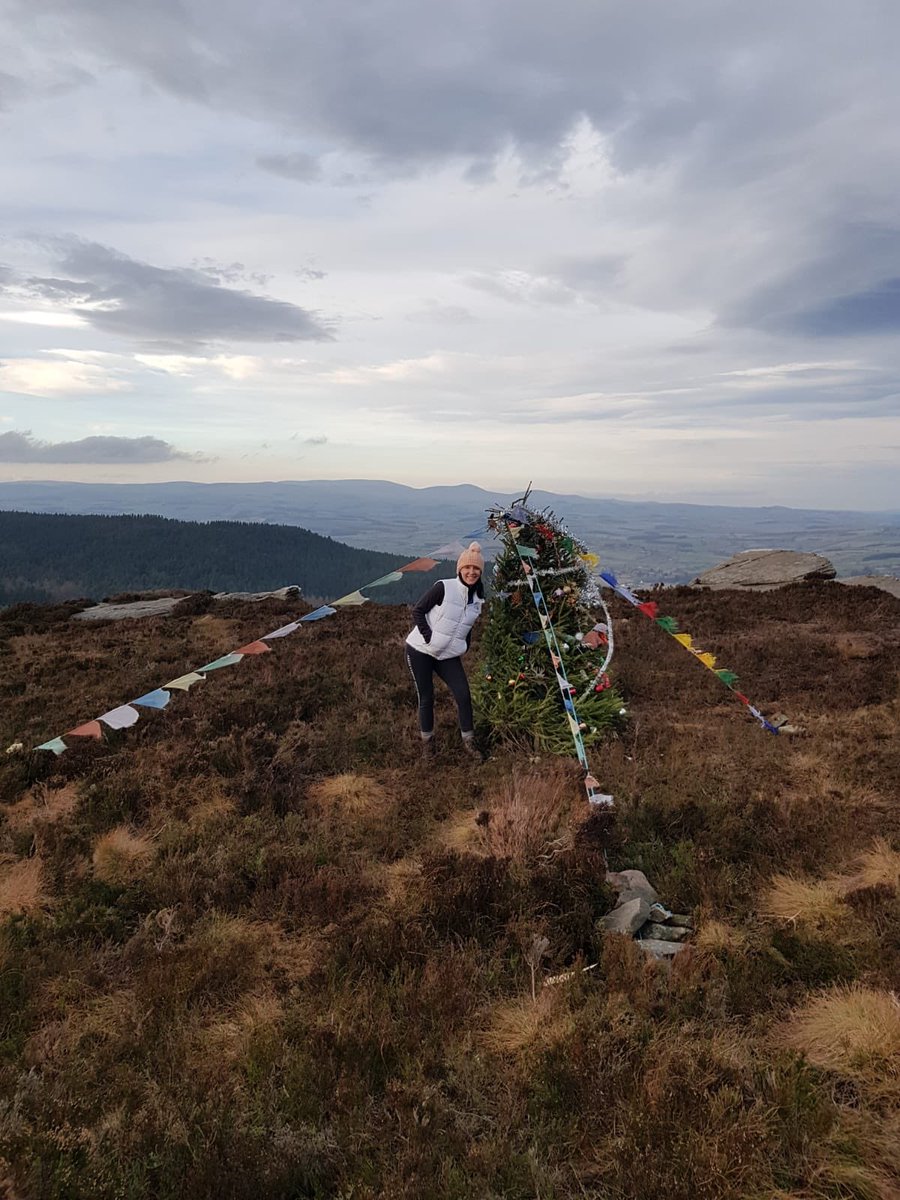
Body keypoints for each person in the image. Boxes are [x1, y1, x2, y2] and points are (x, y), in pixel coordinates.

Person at [405, 542, 485, 758]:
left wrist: (464, 645)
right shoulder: (443, 587)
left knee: (463, 695)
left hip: (447, 655)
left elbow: (467, 625)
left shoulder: (478, 599)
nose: (471, 572)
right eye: (467, 567)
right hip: (420, 650)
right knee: (427, 697)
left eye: (476, 568)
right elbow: (418, 611)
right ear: (459, 569)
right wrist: (429, 637)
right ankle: (428, 744)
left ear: (480, 572)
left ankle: (469, 742)